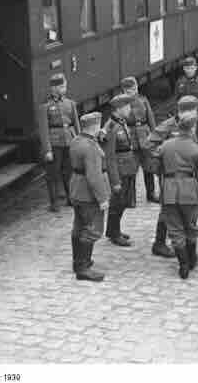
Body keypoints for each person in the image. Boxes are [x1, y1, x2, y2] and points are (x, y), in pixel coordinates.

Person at [142, 96, 198, 259]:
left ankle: (169, 241)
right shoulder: (168, 125)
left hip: (185, 174)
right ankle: (159, 244)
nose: (196, 113)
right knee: (167, 207)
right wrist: (164, 159)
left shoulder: (188, 124)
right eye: (194, 110)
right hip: (169, 174)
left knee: (172, 207)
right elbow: (148, 145)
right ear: (185, 111)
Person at [157, 110, 198, 279]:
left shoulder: (165, 145)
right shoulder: (196, 149)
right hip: (189, 192)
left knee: (175, 229)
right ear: (192, 128)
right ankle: (192, 259)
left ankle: (183, 265)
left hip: (169, 191)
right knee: (190, 226)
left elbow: (158, 167)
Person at [68, 112, 111, 281]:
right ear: (94, 127)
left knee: (78, 227)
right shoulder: (91, 148)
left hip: (76, 189)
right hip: (88, 194)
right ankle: (83, 268)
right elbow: (94, 176)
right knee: (93, 229)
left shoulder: (77, 141)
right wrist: (102, 199)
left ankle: (77, 262)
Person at [37, 73, 80, 212]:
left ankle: (70, 197)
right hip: (54, 142)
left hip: (69, 140)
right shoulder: (46, 106)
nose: (64, 88)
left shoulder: (70, 103)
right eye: (61, 86)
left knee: (68, 171)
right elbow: (44, 130)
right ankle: (54, 201)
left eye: (64, 86)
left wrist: (79, 140)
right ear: (54, 88)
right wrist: (47, 150)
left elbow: (76, 124)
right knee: (53, 173)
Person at [100, 94, 138, 247]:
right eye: (127, 106)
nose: (130, 109)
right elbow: (109, 157)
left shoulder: (121, 122)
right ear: (119, 109)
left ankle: (113, 230)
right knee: (117, 203)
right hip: (119, 171)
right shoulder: (111, 127)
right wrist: (114, 181)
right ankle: (114, 234)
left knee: (122, 203)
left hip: (127, 168)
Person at [121, 76, 157, 203]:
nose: (132, 91)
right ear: (124, 91)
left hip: (145, 135)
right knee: (131, 169)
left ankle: (151, 194)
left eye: (134, 88)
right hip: (131, 137)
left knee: (149, 167)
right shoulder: (122, 104)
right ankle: (131, 198)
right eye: (129, 90)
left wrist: (154, 136)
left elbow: (150, 118)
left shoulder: (143, 100)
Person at [174, 57, 198, 142]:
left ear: (196, 68)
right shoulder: (180, 82)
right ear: (184, 69)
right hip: (182, 116)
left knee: (194, 140)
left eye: (192, 68)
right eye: (187, 68)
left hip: (195, 117)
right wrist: (176, 117)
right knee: (183, 139)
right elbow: (177, 101)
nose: (189, 70)